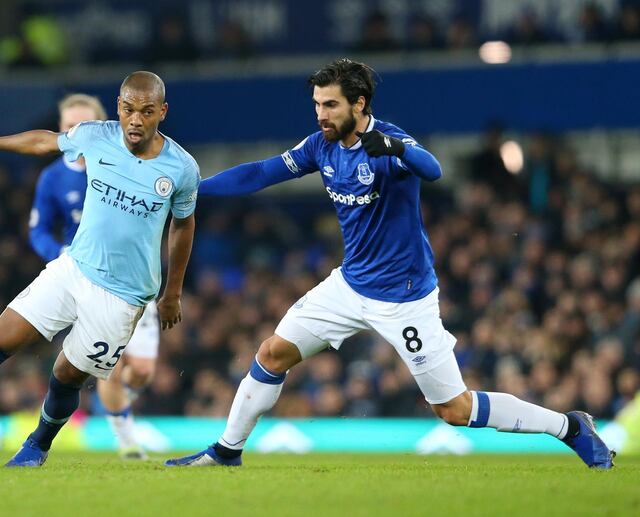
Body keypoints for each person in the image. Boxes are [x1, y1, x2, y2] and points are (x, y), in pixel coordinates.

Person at [165, 59, 613, 469]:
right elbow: (262, 173)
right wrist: (194, 190)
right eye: (317, 104)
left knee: (453, 410)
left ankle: (570, 427)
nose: (320, 114)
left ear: (359, 104)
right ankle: (227, 451)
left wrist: (397, 149)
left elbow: (433, 169)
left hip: (405, 299)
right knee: (271, 353)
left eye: (331, 104)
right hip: (349, 286)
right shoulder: (320, 146)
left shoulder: (389, 141)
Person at [0, 71, 200, 467]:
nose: (136, 120)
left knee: (67, 375)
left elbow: (183, 226)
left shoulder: (181, 168)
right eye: (129, 109)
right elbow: (45, 141)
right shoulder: (96, 136)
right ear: (119, 106)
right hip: (73, 269)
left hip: (124, 296)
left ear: (162, 112)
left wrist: (173, 293)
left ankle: (38, 445)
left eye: (146, 112)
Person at [29, 93, 162, 460]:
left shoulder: (130, 161)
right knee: (113, 368)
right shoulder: (53, 177)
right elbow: (38, 229)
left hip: (135, 278)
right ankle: (125, 439)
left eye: (82, 125)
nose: (75, 132)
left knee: (144, 371)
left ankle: (118, 405)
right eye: (68, 126)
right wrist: (57, 253)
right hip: (85, 280)